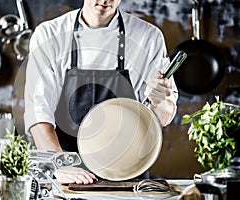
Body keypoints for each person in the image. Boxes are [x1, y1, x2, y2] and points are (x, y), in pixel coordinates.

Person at [24, 0, 178, 184]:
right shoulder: (50, 34)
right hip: (68, 173)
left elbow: (164, 116)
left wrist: (158, 101)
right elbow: (38, 112)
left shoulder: (148, 37)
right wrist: (60, 164)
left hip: (128, 175)